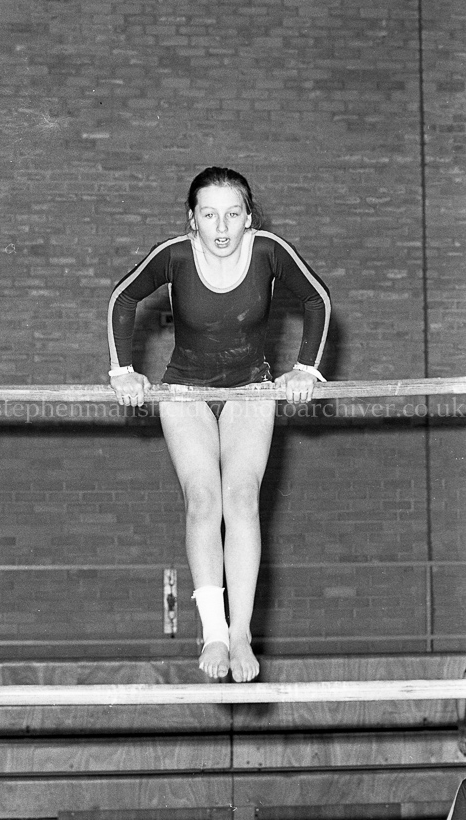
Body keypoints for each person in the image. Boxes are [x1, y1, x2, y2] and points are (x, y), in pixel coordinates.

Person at [107, 167, 331, 683]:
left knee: (242, 496)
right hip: (185, 387)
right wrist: (123, 372)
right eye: (209, 214)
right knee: (204, 498)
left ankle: (241, 632)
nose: (222, 226)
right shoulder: (176, 255)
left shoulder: (270, 250)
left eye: (233, 214)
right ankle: (212, 630)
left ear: (249, 218)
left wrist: (306, 368)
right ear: (193, 220)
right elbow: (122, 296)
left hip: (251, 386)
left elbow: (318, 298)